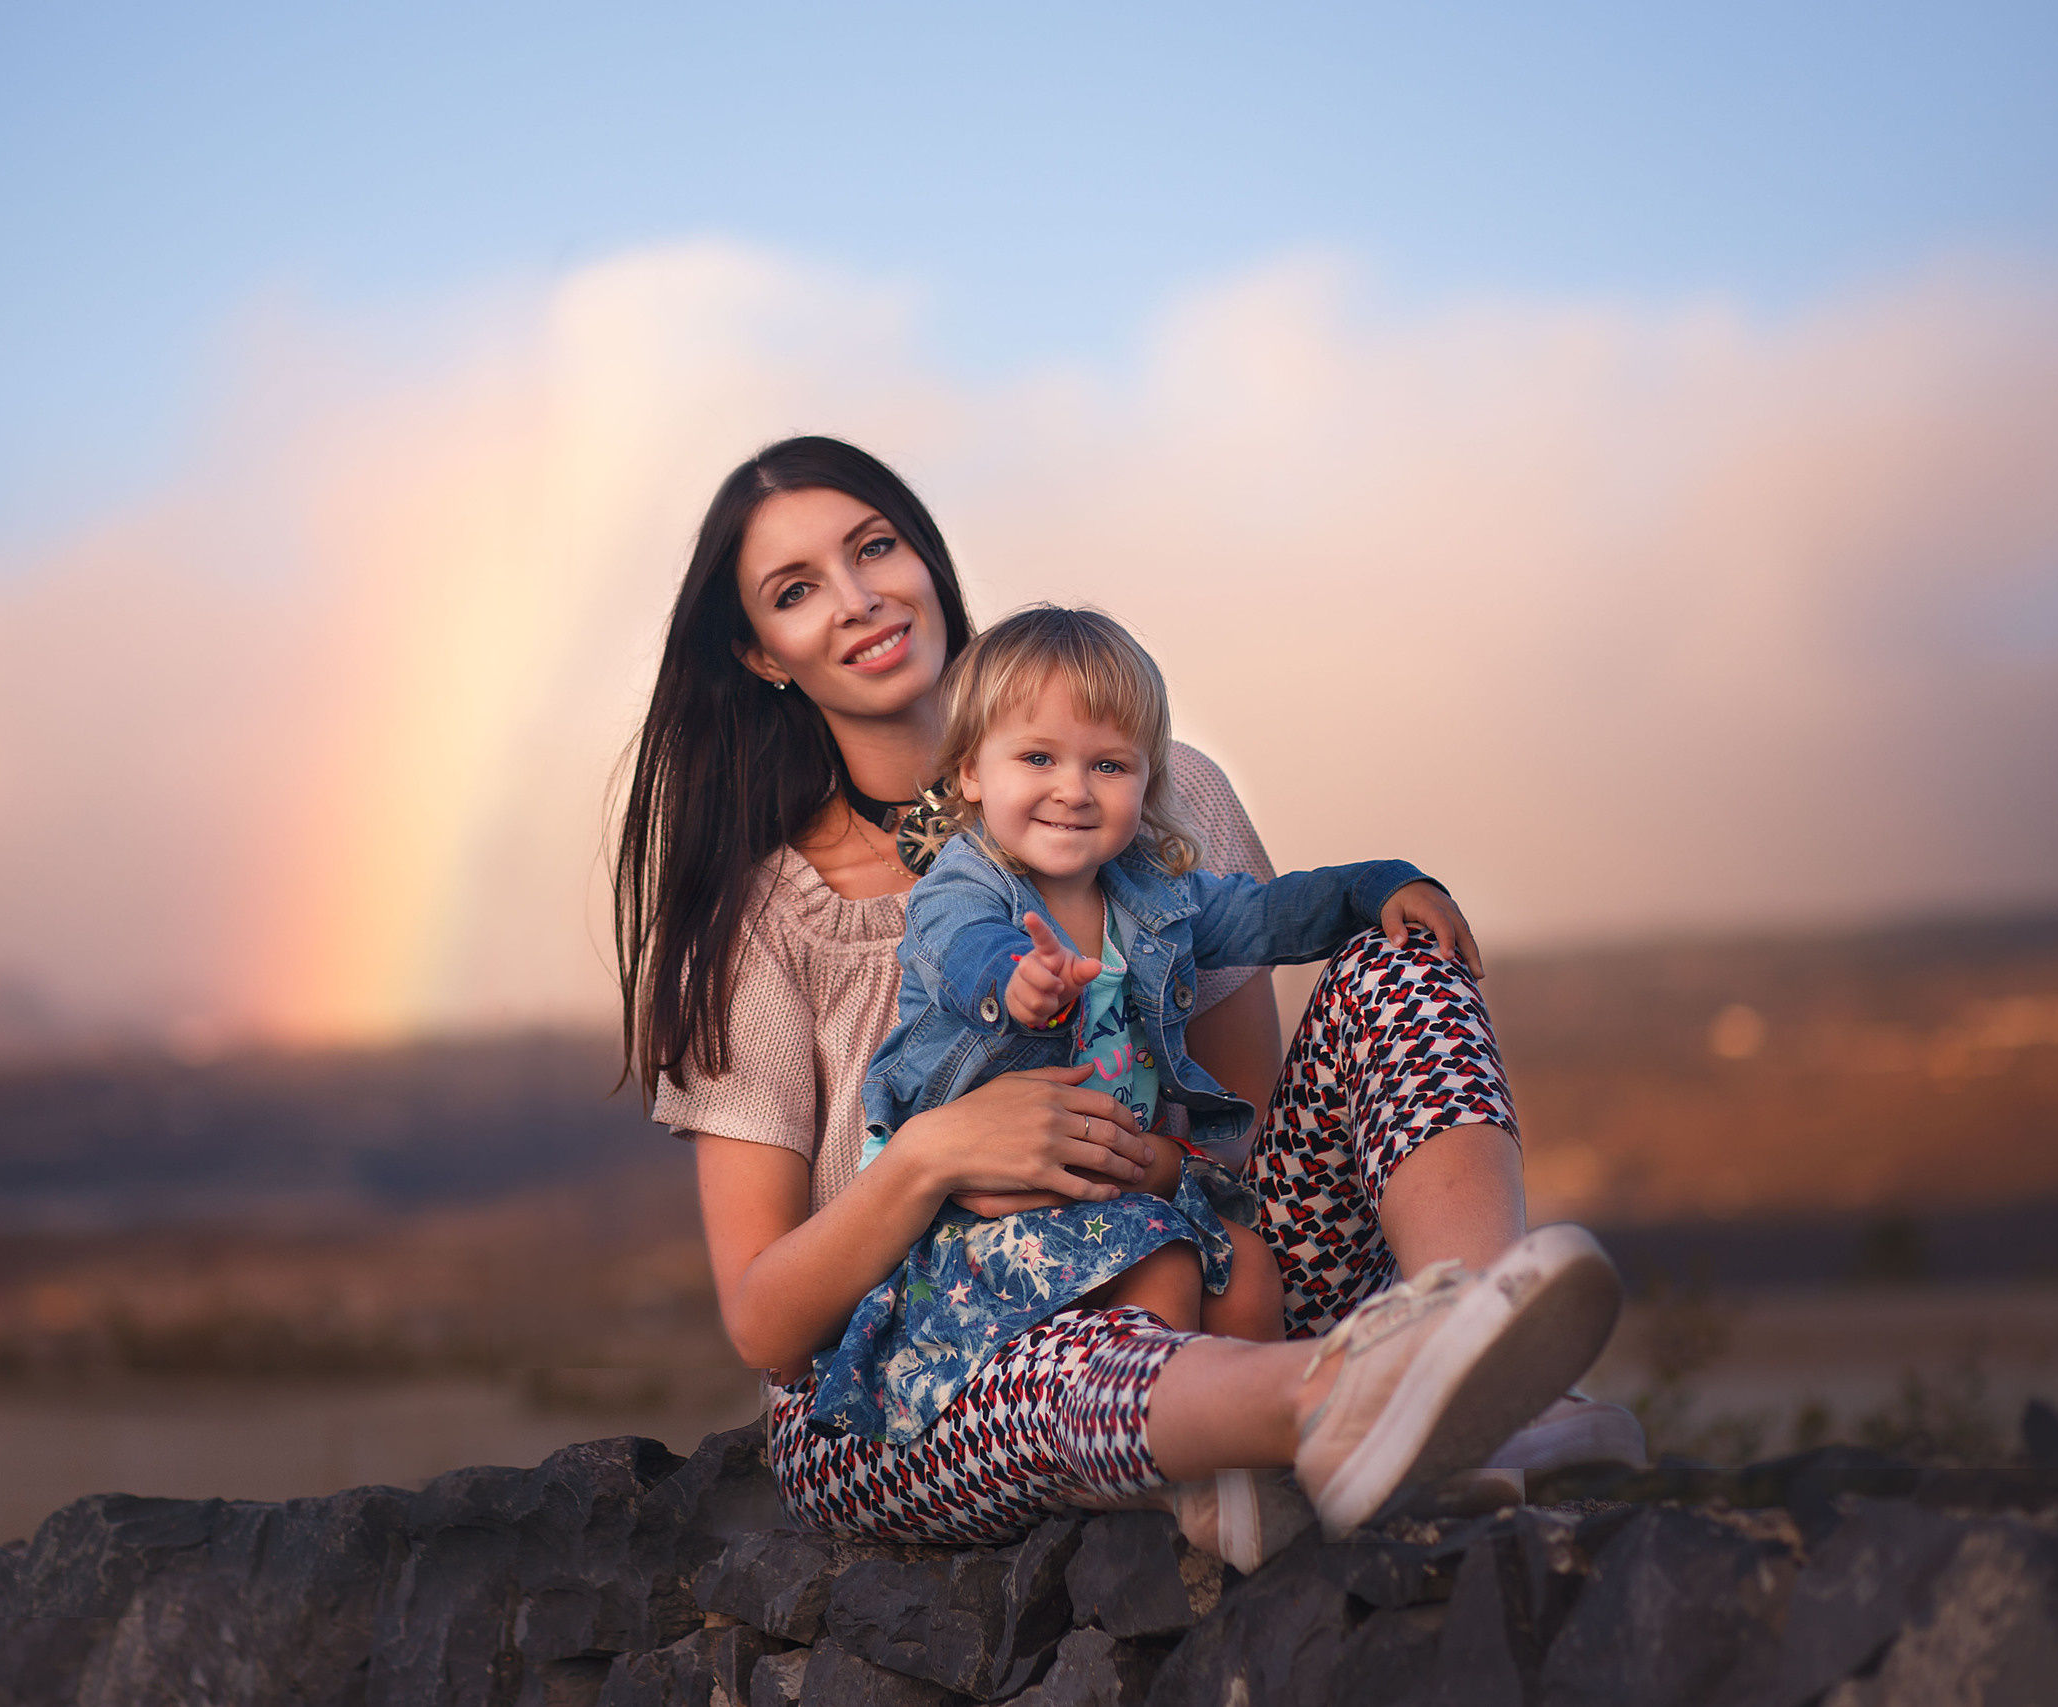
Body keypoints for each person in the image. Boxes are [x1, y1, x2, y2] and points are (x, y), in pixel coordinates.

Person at [615, 435, 1631, 1557]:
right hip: (914, 1370)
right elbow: (765, 1323)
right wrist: (934, 1154)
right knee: (1061, 1363)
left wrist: (1380, 896)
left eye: (875, 548)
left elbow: (1235, 1144)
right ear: (761, 654)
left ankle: (1479, 1355)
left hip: (1190, 1260)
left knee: (1398, 965)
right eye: (797, 591)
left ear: (927, 558)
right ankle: (1337, 1399)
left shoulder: (1160, 794)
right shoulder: (761, 919)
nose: (857, 601)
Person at [812, 604, 1458, 1445]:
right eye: (1037, 756)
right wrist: (1017, 981)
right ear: (972, 771)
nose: (1073, 789)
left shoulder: (1152, 898)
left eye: (1108, 764)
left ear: (1147, 783)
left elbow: (1267, 914)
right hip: (979, 1217)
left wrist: (1379, 886)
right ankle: (1172, 1466)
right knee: (1159, 1265)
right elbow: (962, 950)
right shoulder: (964, 890)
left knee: (1251, 1271)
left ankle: (1255, 1466)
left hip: (1111, 1193)